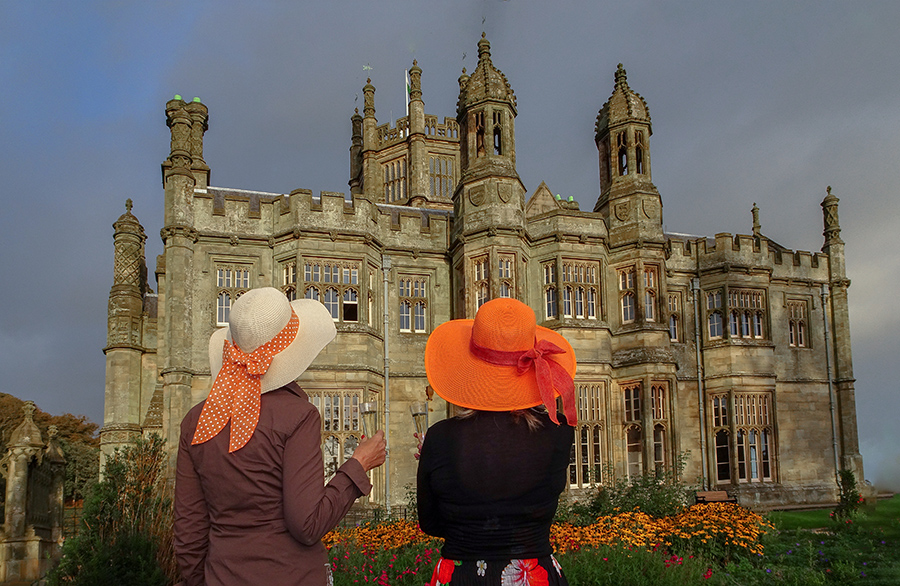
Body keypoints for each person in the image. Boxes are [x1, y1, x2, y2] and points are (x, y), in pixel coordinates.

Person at [174, 287, 386, 586]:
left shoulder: (197, 421)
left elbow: (189, 531)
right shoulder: (298, 416)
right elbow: (307, 524)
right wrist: (358, 465)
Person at [417, 297, 577, 586]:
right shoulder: (559, 432)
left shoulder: (440, 437)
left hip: (462, 576)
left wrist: (438, 462)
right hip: (535, 575)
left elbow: (430, 523)